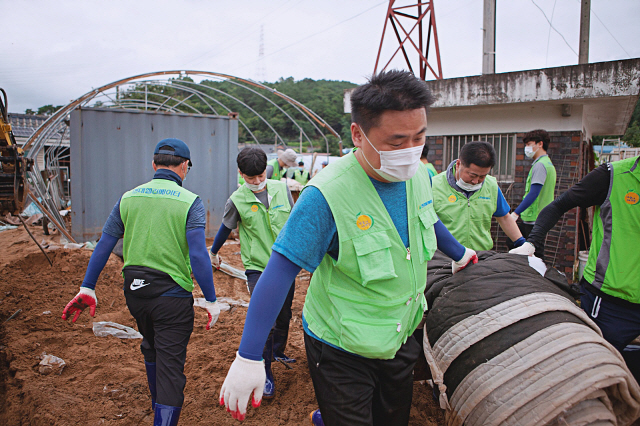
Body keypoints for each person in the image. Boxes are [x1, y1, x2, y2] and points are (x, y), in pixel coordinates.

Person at [218, 70, 478, 425]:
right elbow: (279, 271)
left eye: (419, 137)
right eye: (396, 141)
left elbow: (427, 218)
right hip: (341, 347)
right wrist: (248, 356)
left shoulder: (418, 175)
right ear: (358, 134)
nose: (410, 151)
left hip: (400, 333)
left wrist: (459, 252)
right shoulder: (326, 196)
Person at [61, 138, 220, 426]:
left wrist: (87, 287)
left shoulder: (128, 197)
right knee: (171, 367)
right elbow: (198, 254)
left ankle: (157, 406)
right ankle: (164, 416)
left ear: (153, 164)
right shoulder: (190, 202)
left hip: (135, 294)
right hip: (171, 297)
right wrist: (210, 299)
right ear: (184, 167)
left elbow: (104, 245)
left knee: (151, 346)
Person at [510, 155, 640, 379]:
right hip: (610, 301)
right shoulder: (613, 176)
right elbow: (558, 206)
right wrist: (531, 244)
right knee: (595, 374)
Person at [209, 147, 296, 400]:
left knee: (285, 312)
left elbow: (294, 221)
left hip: (286, 263)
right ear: (241, 174)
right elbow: (225, 229)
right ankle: (265, 370)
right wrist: (213, 253)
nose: (257, 182)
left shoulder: (282, 190)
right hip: (258, 266)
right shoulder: (237, 200)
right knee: (265, 318)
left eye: (260, 176)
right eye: (251, 178)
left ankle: (277, 351)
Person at [432, 141, 526, 251]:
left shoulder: (491, 185)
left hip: (480, 255)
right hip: (444, 256)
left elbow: (504, 217)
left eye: (482, 176)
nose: (476, 181)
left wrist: (521, 243)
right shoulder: (434, 185)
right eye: (472, 175)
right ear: (458, 165)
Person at [510, 130, 557, 246]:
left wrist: (516, 213)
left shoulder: (540, 165)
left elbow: (533, 193)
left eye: (529, 144)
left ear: (540, 144)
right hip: (540, 217)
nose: (526, 148)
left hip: (534, 218)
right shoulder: (548, 164)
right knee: (518, 245)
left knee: (533, 252)